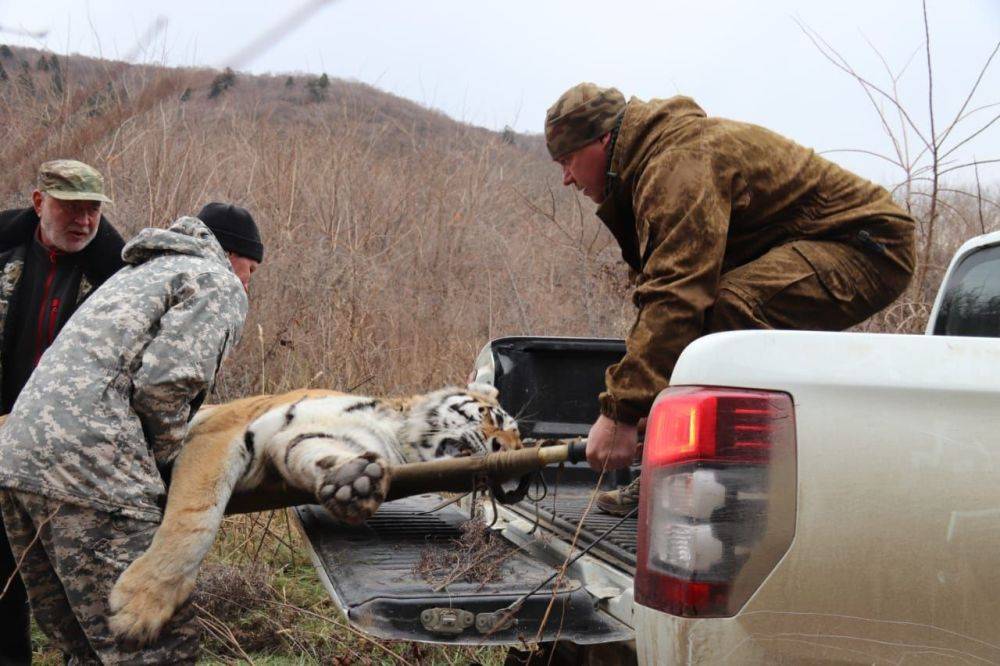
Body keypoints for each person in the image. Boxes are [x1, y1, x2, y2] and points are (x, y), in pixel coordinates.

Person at [544, 83, 915, 515]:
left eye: (568, 160)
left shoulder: (677, 165)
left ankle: (720, 491)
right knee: (702, 325)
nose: (566, 177)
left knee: (728, 309)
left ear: (602, 140)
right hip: (804, 244)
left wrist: (621, 412)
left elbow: (676, 294)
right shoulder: (647, 169)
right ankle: (675, 478)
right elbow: (659, 299)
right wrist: (652, 395)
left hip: (870, 245)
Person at [0, 204, 262, 663]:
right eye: (250, 269)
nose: (246, 281)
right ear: (232, 254)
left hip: (17, 464)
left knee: (82, 648)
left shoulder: (138, 272)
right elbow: (166, 384)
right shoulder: (215, 281)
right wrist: (164, 462)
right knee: (153, 645)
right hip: (90, 471)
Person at [0, 159, 124, 665]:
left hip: (72, 451)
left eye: (92, 209)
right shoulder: (5, 248)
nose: (83, 220)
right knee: (2, 567)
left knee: (74, 574)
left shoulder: (118, 273)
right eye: (70, 207)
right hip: (2, 434)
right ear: (38, 203)